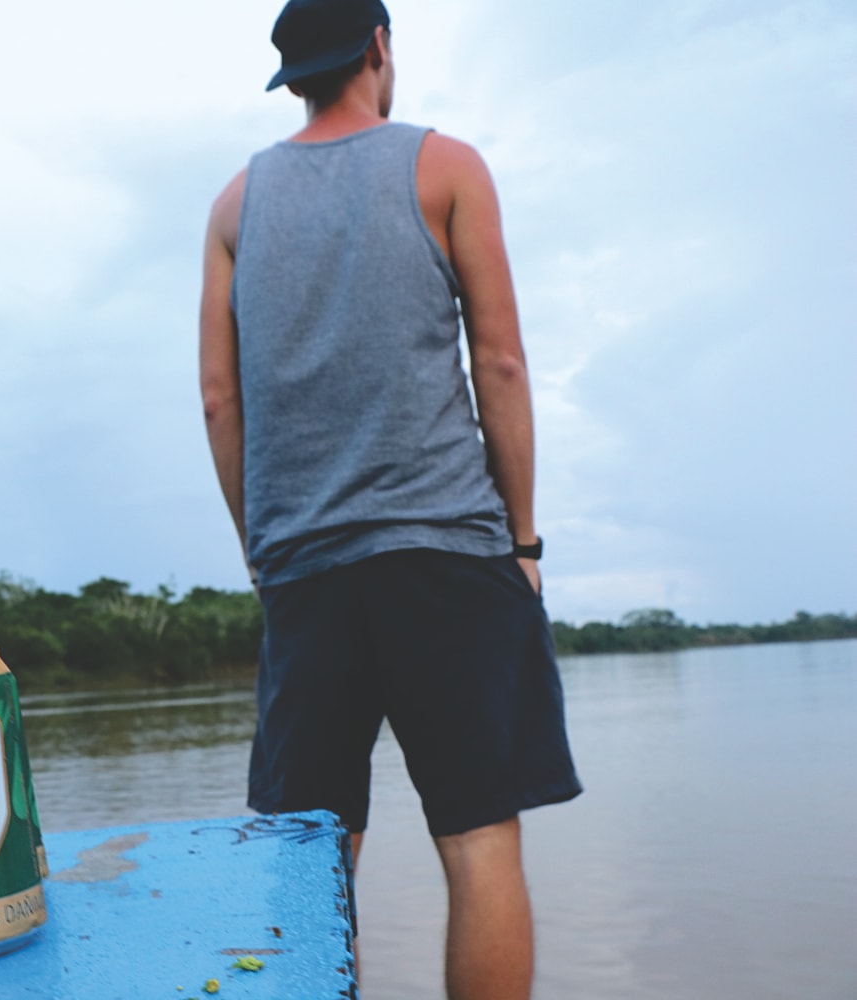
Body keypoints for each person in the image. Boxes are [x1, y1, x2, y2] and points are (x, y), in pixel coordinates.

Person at [198, 1, 582, 997]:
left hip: (305, 570)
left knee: (313, 858)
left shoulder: (235, 205)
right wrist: (523, 540)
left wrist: (263, 551)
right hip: (450, 554)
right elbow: (500, 361)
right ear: (379, 48)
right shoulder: (445, 167)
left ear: (293, 76)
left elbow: (219, 398)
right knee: (479, 841)